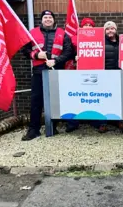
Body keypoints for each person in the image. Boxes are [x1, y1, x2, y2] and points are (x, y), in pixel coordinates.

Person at [21, 10, 74, 141]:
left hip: (56, 71)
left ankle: (53, 126)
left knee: (55, 100)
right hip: (39, 72)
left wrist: (56, 61)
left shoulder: (62, 34)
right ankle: (34, 130)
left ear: (54, 20)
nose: (48, 19)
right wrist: (36, 55)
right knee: (36, 101)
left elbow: (69, 52)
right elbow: (25, 50)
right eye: (45, 17)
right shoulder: (32, 33)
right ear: (42, 20)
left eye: (50, 17)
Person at [65, 17, 108, 134]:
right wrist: (74, 58)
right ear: (81, 27)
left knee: (95, 98)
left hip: (95, 72)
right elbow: (67, 53)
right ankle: (73, 122)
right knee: (75, 97)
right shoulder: (73, 39)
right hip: (77, 72)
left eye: (90, 25)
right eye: (86, 25)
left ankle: (98, 122)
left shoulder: (99, 38)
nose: (88, 27)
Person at [103, 21, 123, 133]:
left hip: (121, 75)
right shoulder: (100, 42)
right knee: (104, 99)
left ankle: (120, 121)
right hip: (106, 75)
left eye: (112, 28)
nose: (110, 31)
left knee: (120, 99)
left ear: (116, 30)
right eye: (107, 29)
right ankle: (103, 123)